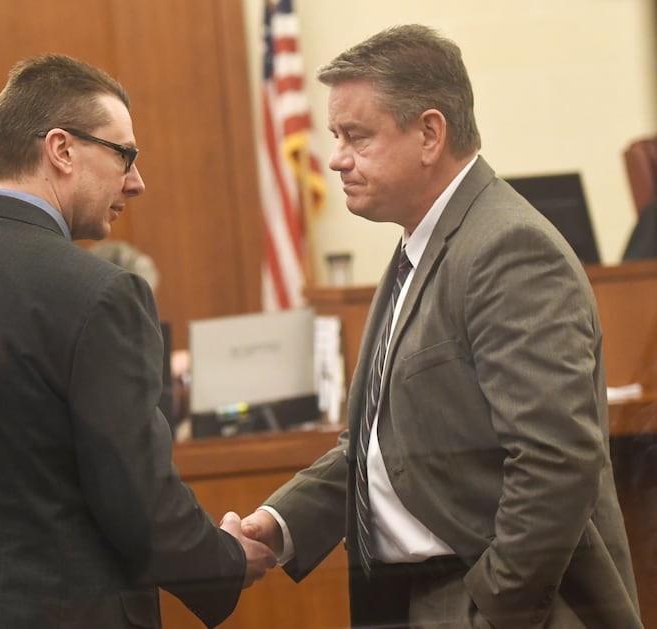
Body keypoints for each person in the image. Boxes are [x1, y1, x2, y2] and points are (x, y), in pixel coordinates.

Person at [241, 24, 642, 628]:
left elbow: (556, 461)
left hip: (486, 602)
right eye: (334, 135)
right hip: (414, 597)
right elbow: (384, 445)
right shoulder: (421, 245)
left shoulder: (508, 247)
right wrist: (280, 525)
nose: (336, 158)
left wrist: (494, 608)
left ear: (430, 133)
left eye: (356, 136)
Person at [0, 53, 275, 629]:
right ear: (62, 149)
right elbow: (135, 498)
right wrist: (225, 561)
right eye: (124, 154)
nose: (137, 179)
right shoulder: (102, 295)